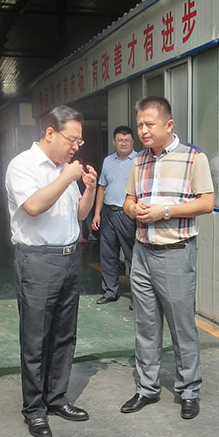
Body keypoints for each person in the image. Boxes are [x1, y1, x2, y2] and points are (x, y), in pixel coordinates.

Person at [5, 105, 97, 437]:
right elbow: (33, 206)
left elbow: (79, 214)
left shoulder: (65, 170)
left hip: (68, 259)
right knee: (36, 338)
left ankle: (57, 398)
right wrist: (68, 177)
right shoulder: (23, 166)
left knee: (63, 335)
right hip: (37, 261)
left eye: (79, 141)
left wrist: (88, 188)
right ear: (49, 133)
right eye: (72, 139)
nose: (76, 146)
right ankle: (34, 409)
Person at [121, 96, 214, 420]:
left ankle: (189, 391)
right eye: (140, 125)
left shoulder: (193, 158)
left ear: (168, 124)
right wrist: (135, 210)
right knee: (145, 326)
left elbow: (207, 203)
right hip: (142, 253)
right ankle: (147, 388)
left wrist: (165, 211)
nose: (143, 131)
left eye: (149, 124)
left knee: (181, 327)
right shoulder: (139, 161)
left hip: (175, 253)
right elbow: (128, 201)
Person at [91, 125, 137, 307]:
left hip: (128, 215)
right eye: (120, 140)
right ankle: (110, 291)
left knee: (133, 256)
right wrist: (97, 214)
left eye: (127, 140)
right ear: (114, 142)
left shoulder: (139, 161)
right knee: (108, 254)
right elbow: (102, 187)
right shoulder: (108, 161)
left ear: (132, 142)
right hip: (108, 213)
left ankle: (137, 297)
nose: (123, 143)